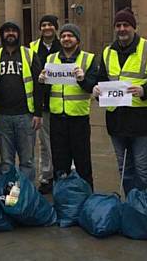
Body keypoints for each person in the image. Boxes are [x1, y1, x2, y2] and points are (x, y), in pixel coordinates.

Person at [93, 8, 147, 195]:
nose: (122, 29)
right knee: (125, 170)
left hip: (143, 122)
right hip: (117, 121)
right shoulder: (108, 52)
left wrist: (144, 90)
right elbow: (101, 80)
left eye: (126, 25)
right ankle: (131, 207)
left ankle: (144, 207)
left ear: (133, 27)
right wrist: (96, 90)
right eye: (118, 25)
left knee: (143, 171)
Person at [39, 24, 97, 188]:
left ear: (77, 40)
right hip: (57, 118)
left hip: (79, 119)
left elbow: (92, 87)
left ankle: (87, 198)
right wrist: (42, 81)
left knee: (83, 163)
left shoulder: (88, 59)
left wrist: (83, 79)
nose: (66, 39)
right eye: (63, 36)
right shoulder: (51, 60)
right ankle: (62, 200)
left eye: (70, 36)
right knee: (60, 164)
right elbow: (45, 90)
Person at [0, 22, 43, 182]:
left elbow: (38, 84)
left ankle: (25, 196)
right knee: (6, 162)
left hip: (25, 116)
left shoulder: (29, 54)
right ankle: (9, 198)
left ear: (18, 34)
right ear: (2, 34)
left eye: (13, 31)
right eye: (7, 31)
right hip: (2, 116)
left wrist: (38, 113)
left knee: (27, 161)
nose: (10, 34)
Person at [29, 15, 61, 194]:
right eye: (44, 25)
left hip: (61, 101)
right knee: (44, 143)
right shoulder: (33, 47)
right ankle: (47, 176)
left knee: (60, 142)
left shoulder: (63, 44)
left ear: (55, 27)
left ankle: (61, 173)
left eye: (50, 24)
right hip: (42, 102)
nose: (47, 27)